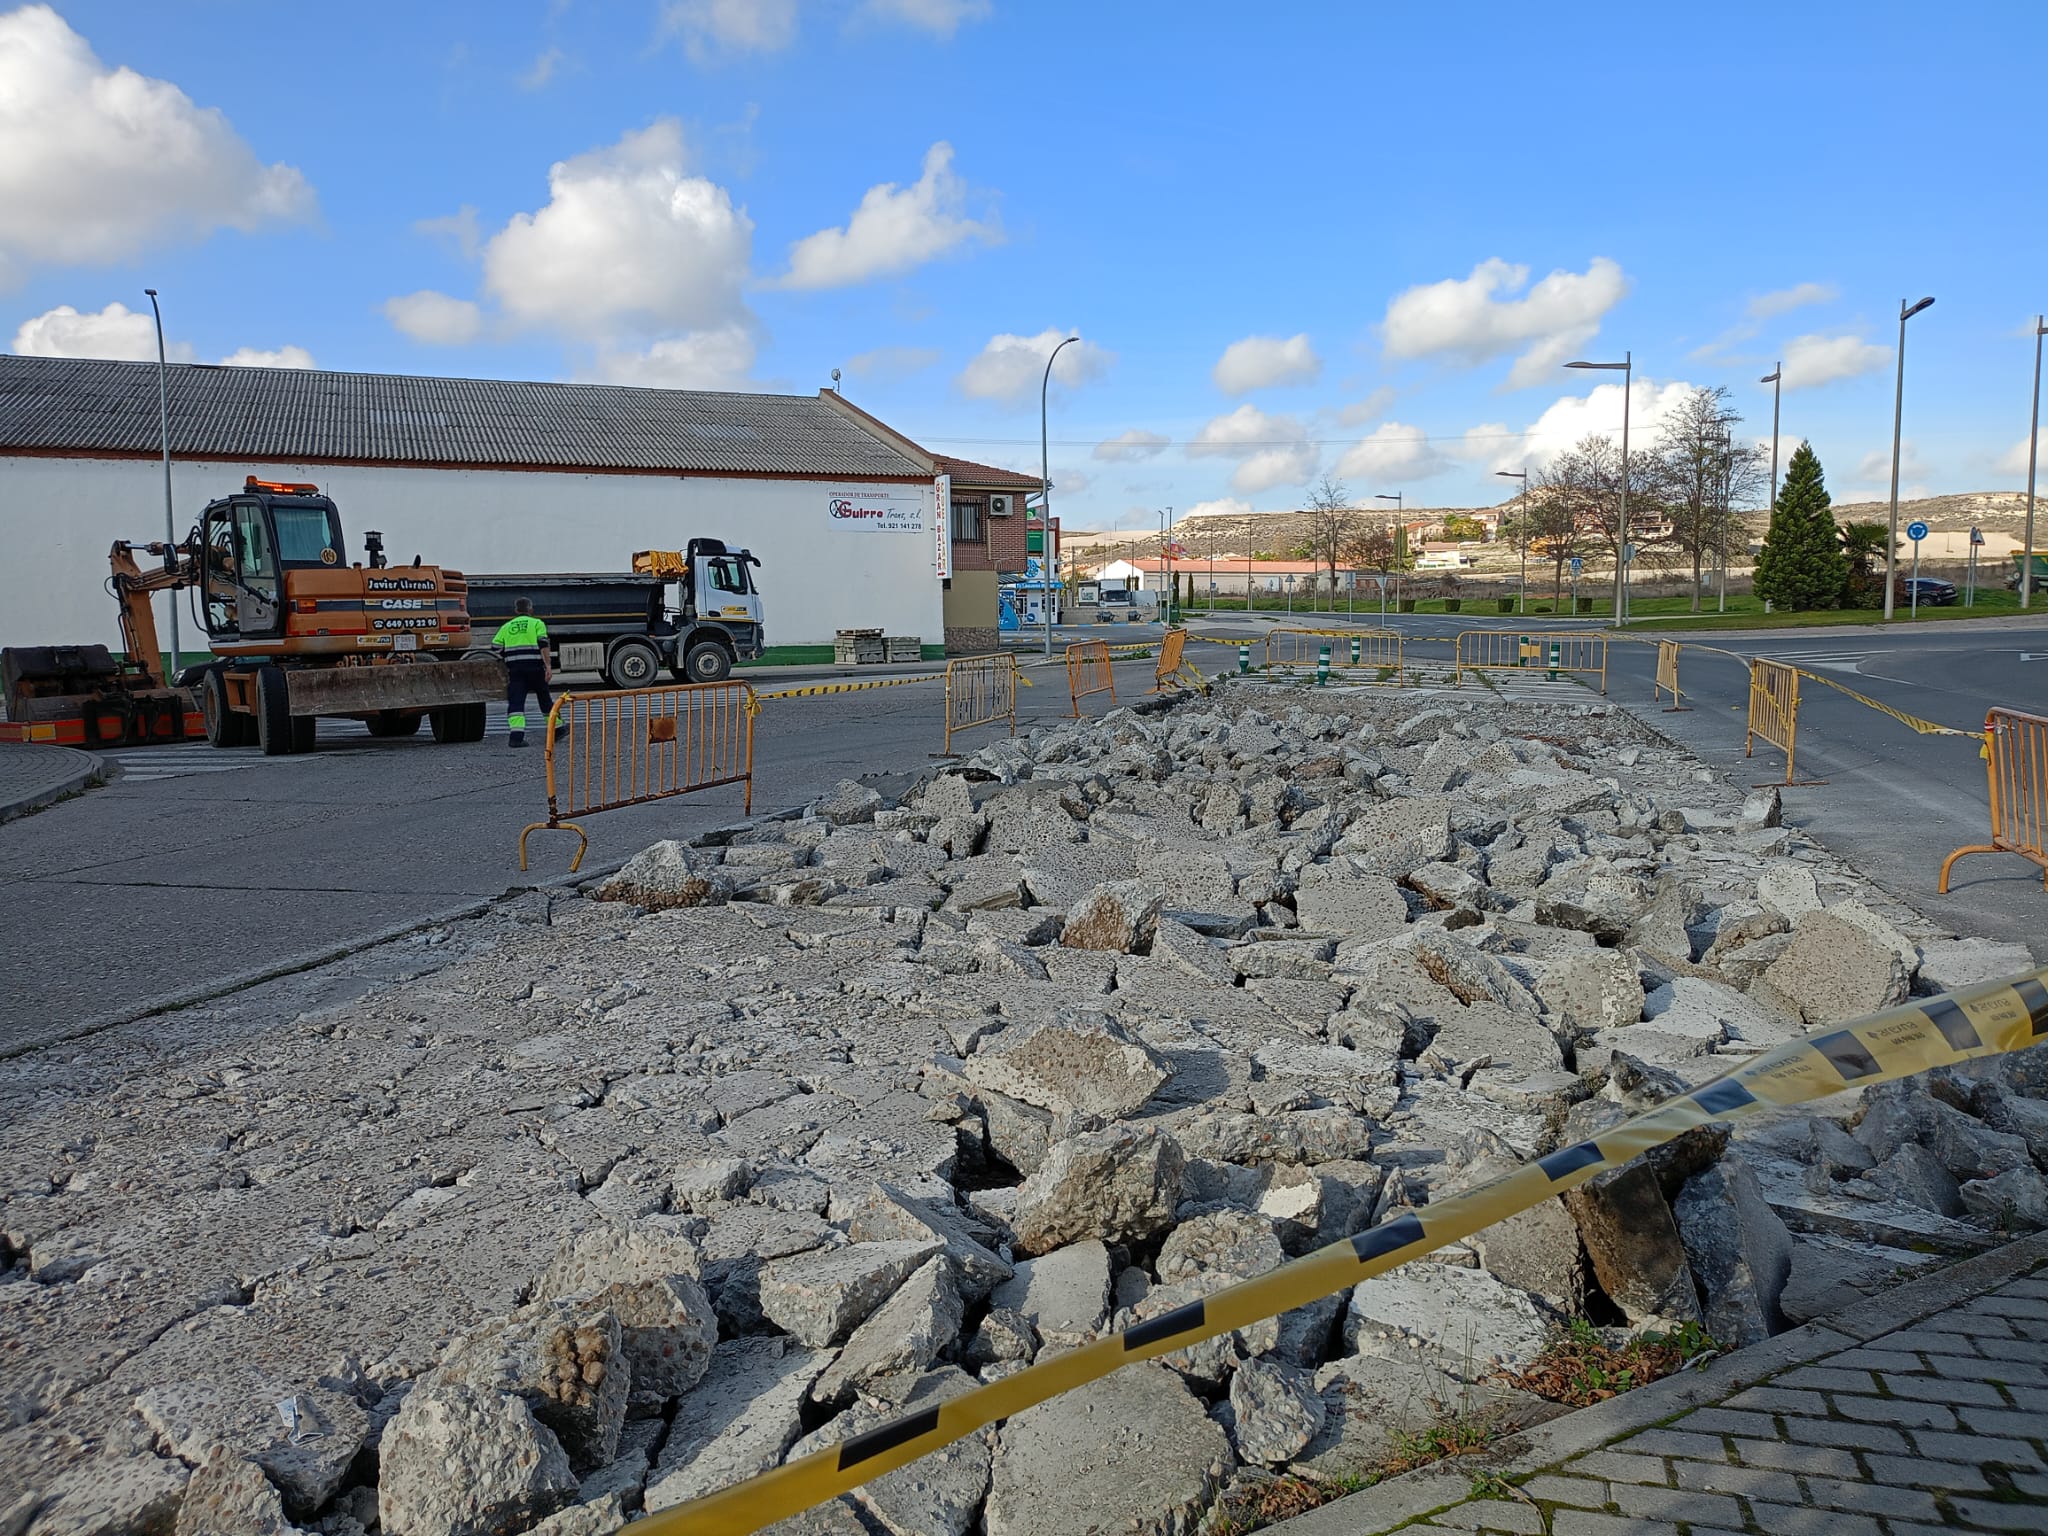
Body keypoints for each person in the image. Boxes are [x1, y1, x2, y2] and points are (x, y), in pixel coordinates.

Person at [492, 597, 563, 748]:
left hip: (516, 670)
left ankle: (516, 737)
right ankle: (557, 729)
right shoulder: (537, 623)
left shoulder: (507, 626)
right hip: (535, 668)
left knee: (516, 702)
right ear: (530, 609)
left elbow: (495, 647)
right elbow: (543, 645)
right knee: (545, 700)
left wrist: (508, 658)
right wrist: (548, 666)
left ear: (516, 610)